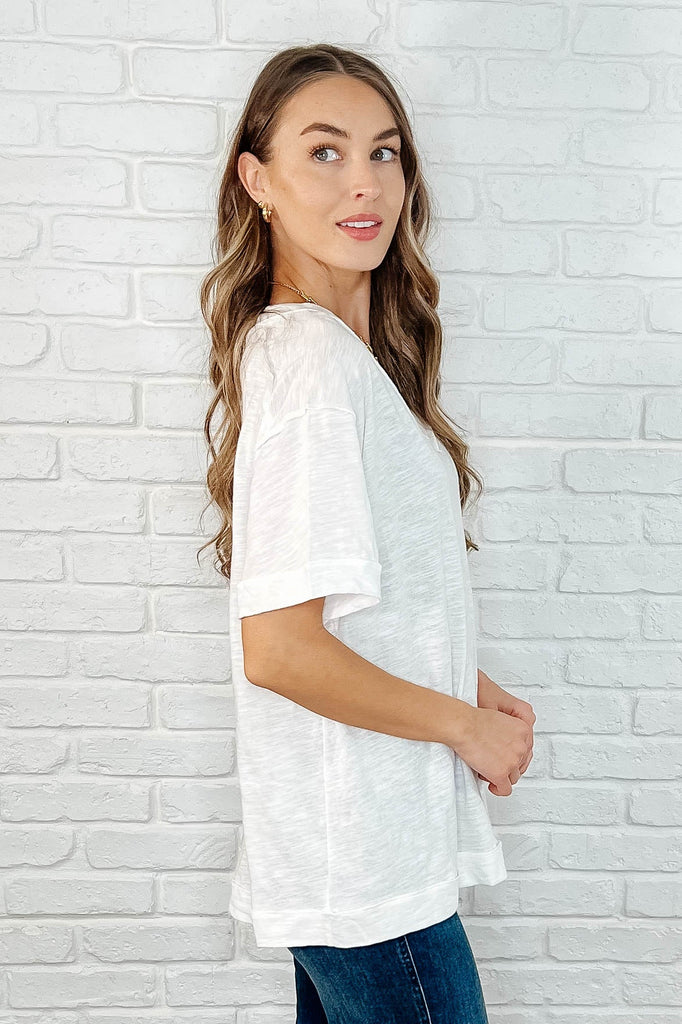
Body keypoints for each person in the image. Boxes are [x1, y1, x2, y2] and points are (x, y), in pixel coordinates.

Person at [198, 42, 535, 1024]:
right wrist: (464, 727)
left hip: (362, 851)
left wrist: (469, 682)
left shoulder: (341, 362)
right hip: (361, 862)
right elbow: (281, 648)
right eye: (325, 151)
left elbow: (360, 608)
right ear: (257, 180)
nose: (366, 183)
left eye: (384, 152)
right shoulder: (308, 363)